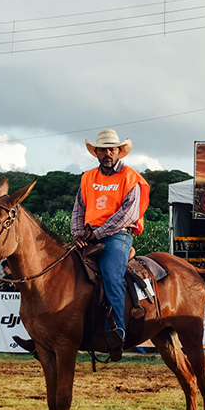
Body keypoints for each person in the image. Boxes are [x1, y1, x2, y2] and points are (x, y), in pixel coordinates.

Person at [71, 128, 150, 362]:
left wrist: (98, 234)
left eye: (112, 149)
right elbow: (79, 209)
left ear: (119, 152)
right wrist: (78, 233)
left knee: (111, 275)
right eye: (103, 149)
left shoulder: (131, 177)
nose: (107, 153)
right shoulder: (87, 178)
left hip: (117, 236)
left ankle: (118, 329)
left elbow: (128, 214)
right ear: (95, 152)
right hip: (89, 234)